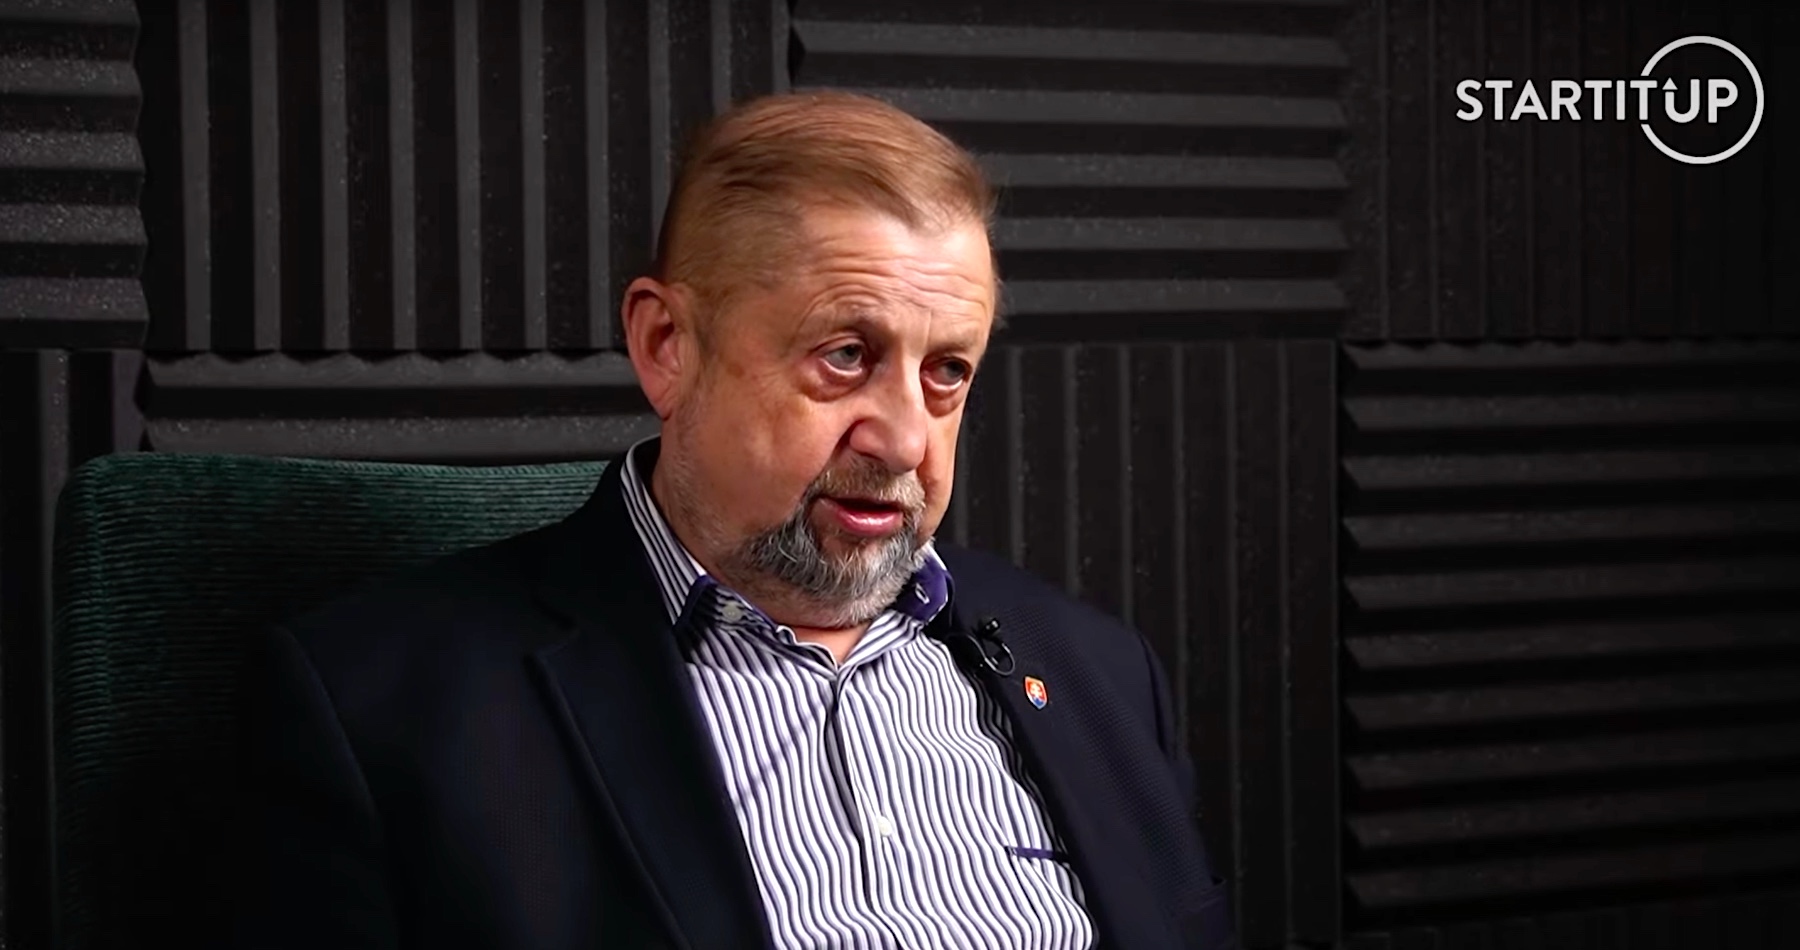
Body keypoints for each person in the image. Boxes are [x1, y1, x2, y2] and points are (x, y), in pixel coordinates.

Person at [230, 90, 1236, 949]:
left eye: (946, 372)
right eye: (845, 354)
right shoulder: (383, 710)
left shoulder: (1101, 674)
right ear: (667, 344)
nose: (902, 439)